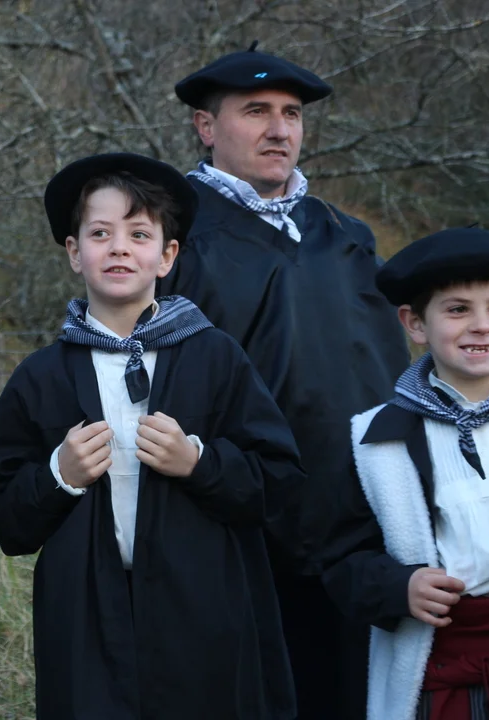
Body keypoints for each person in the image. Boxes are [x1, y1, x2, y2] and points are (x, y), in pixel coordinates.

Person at [0, 152, 305, 719]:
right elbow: (2, 509)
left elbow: (279, 483)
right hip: (86, 618)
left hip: (201, 611)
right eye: (100, 233)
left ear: (167, 256)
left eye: (139, 234)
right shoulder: (42, 375)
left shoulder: (215, 357)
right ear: (74, 252)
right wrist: (58, 477)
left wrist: (199, 463)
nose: (119, 247)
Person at [164, 42, 412, 718]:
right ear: (206, 126)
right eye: (256, 112)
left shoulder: (344, 234)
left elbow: (394, 371)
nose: (279, 130)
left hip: (361, 531)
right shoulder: (172, 238)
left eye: (292, 114)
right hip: (242, 531)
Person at [323, 227, 489, 720]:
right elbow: (340, 559)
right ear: (415, 323)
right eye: (457, 310)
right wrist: (398, 587)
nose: (482, 326)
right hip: (441, 674)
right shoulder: (375, 441)